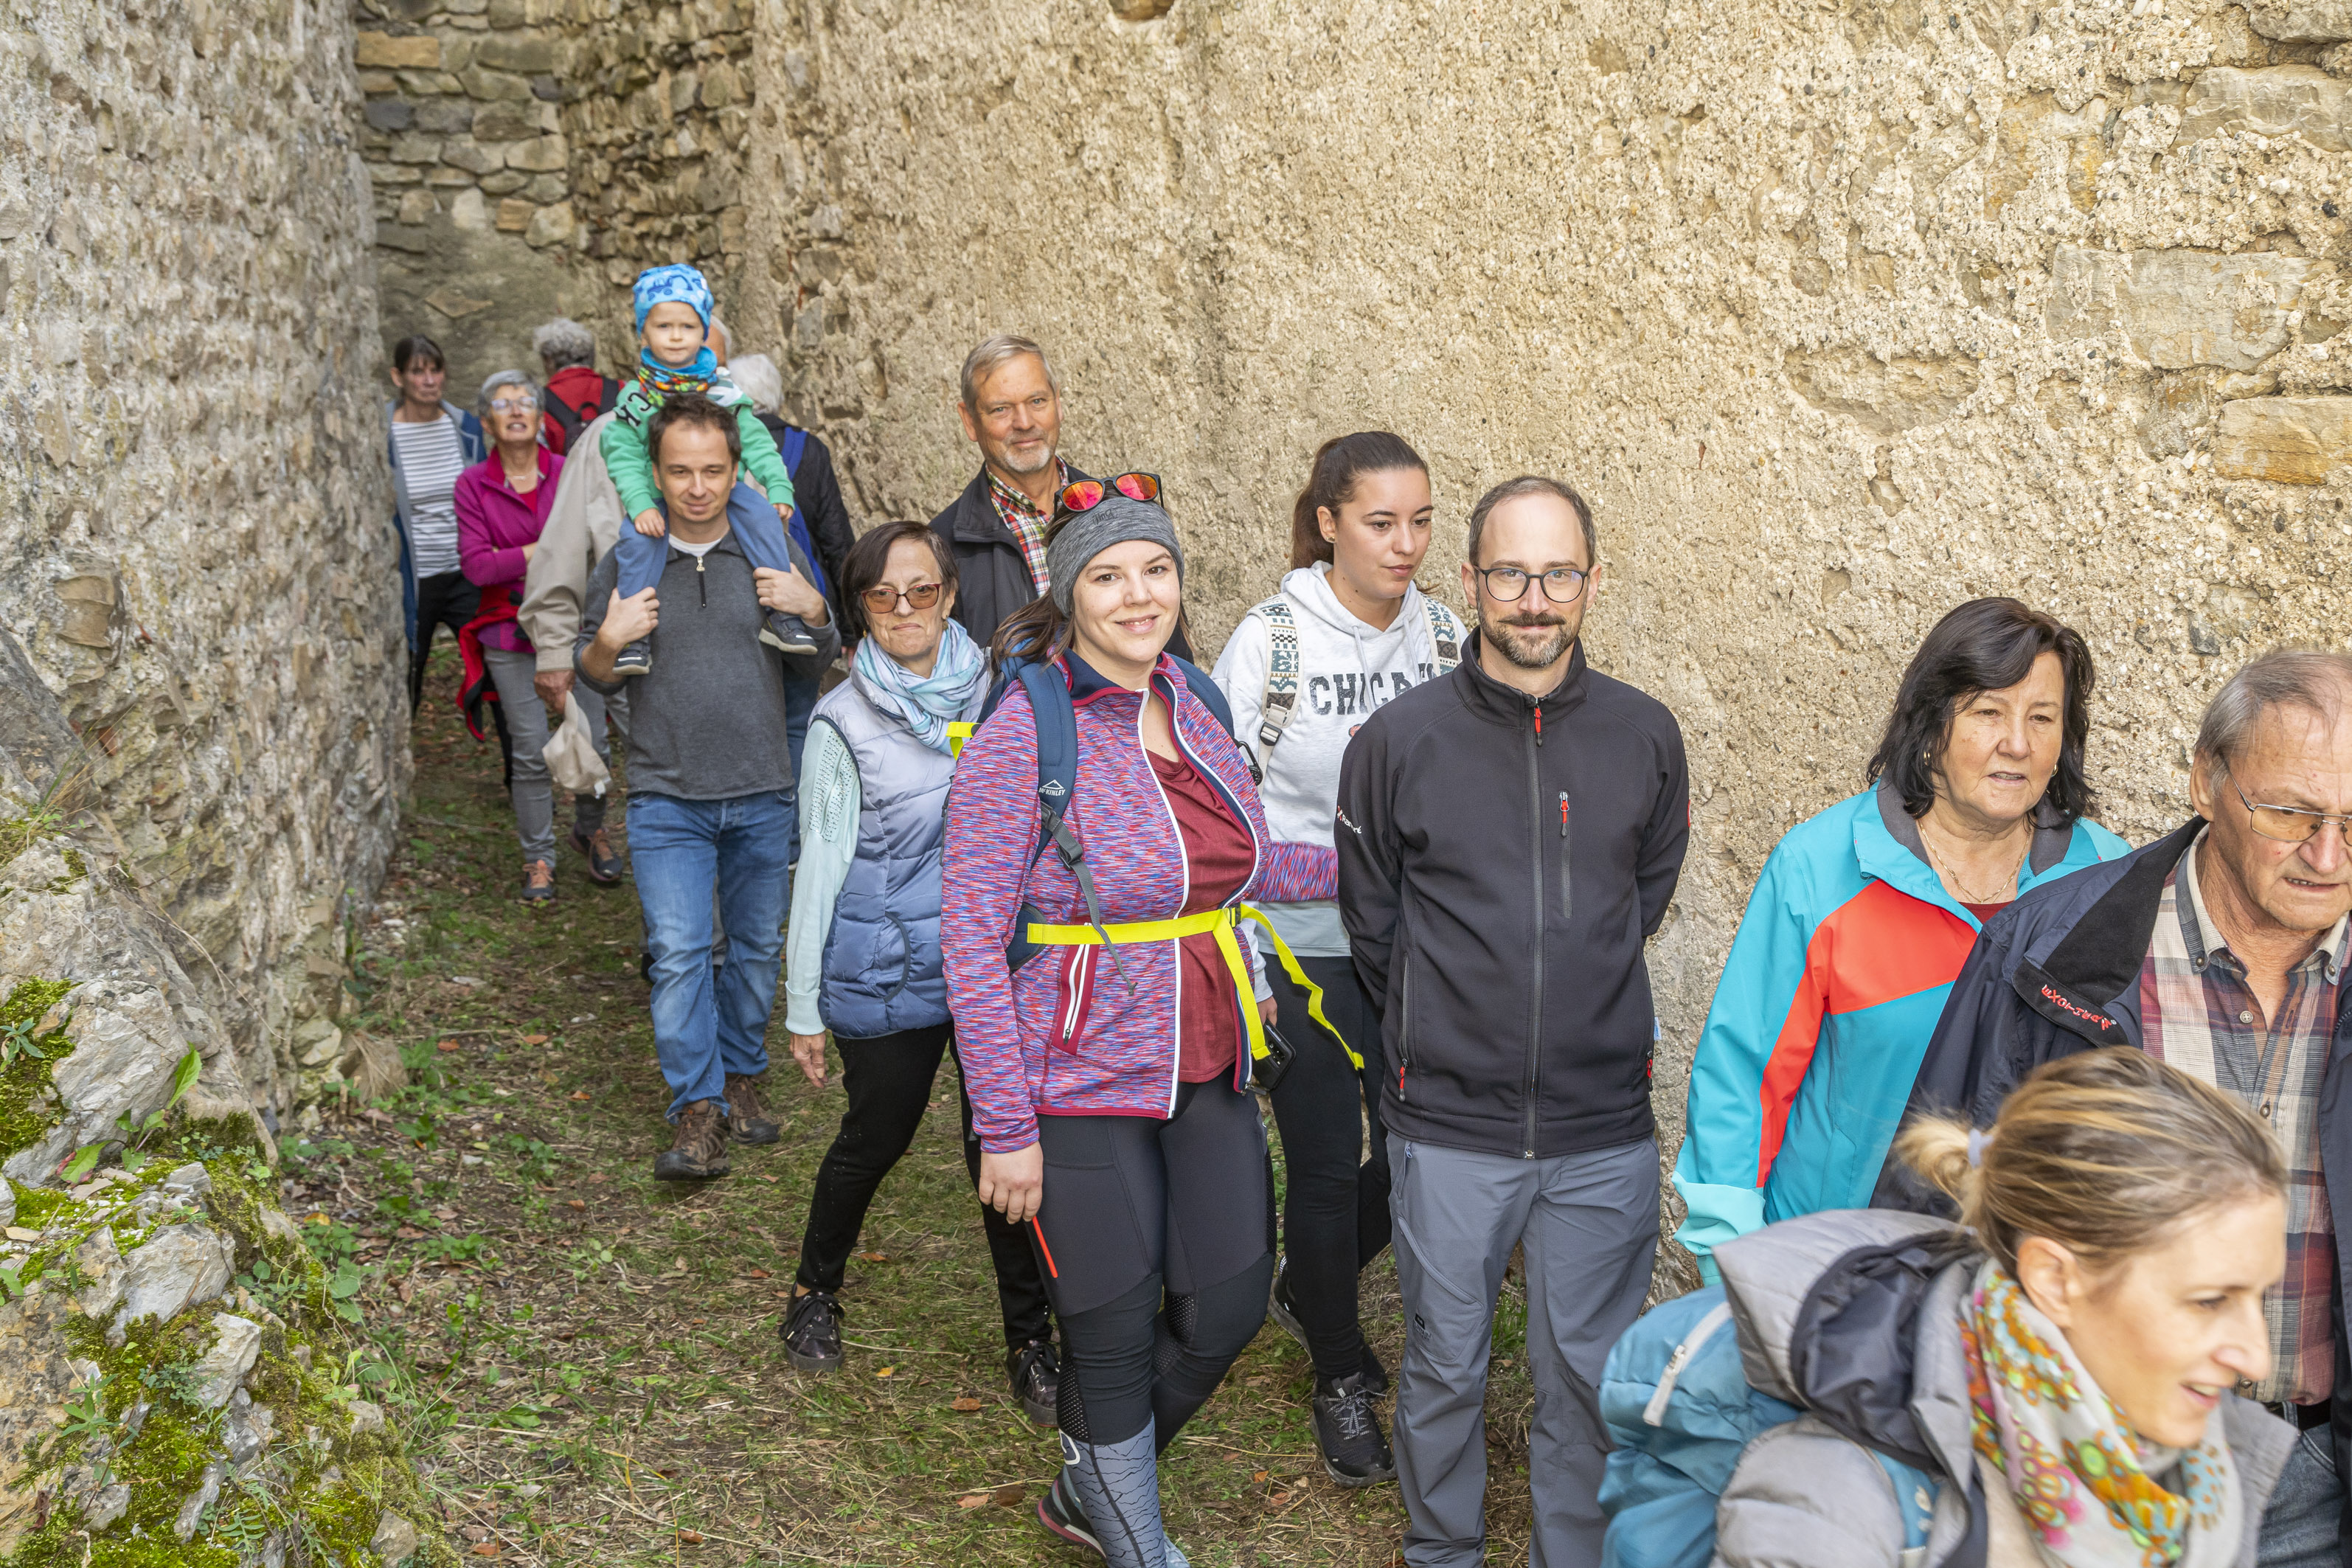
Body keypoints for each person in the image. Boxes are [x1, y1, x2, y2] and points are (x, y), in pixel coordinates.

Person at [1878, 649, 2352, 1568]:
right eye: (2291, 811)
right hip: (2092, 1457)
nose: (2326, 855)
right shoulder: (2048, 947)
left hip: (2322, 1470)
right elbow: (1937, 1204)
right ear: (2207, 780)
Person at [943, 487, 1336, 1567]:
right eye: (1108, 575)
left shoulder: (1197, 698)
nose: (1137, 594)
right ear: (1069, 591)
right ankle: (1135, 1540)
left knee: (1230, 1304)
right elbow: (971, 940)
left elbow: (1249, 864)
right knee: (1110, 1332)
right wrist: (1004, 1124)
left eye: (1153, 570)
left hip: (1203, 1057)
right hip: (1069, 1081)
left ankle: (1092, 1479)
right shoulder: (1028, 724)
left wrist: (1381, 857)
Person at [1336, 474, 1690, 1568]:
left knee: (1585, 1375)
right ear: (1469, 579)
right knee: (1444, 1362)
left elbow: (1645, 895)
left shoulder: (1644, 735)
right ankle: (1438, 1548)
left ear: (1592, 581)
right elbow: (1375, 918)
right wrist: (1450, 1024)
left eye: (1557, 574)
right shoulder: (1399, 742)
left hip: (1599, 1129)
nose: (1533, 599)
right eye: (1509, 573)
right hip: (1447, 1124)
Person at [1692, 1049, 2293, 1568]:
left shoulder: (2200, 1472)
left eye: (2257, 1294)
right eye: (2209, 1300)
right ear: (2054, 1280)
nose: (2255, 1358)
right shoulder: (1833, 1511)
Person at [1672, 598, 2128, 1277]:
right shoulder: (1820, 868)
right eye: (1986, 713)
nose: (2018, 744)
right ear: (1928, 725)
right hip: (1841, 1271)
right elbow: (1744, 1079)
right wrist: (1731, 1265)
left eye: (2042, 718)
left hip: (2034, 1281)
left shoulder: (2105, 880)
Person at [1210, 431, 1464, 1486]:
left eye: (1420, 521)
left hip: (1409, 941)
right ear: (1327, 521)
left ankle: (1306, 1282)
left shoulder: (1448, 638)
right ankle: (1340, 1370)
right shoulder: (1269, 644)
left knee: (1412, 1142)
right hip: (1294, 944)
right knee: (1320, 1155)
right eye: (1379, 521)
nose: (1403, 545)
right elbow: (1219, 817)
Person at [775, 521, 1061, 1426]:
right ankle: (814, 1287)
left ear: (950, 593)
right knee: (878, 1136)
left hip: (989, 972)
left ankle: (1031, 1340)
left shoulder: (1004, 691)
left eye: (924, 590)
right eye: (884, 595)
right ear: (860, 607)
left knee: (1000, 1150)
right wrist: (804, 1004)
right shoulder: (843, 720)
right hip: (888, 969)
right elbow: (818, 861)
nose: (907, 610)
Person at [575, 394, 839, 1180]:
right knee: (683, 950)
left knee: (757, 947)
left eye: (713, 470)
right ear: (654, 473)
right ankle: (697, 1105)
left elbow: (815, 658)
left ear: (737, 470)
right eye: (680, 471)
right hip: (665, 796)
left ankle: (743, 1073)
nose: (697, 487)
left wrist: (815, 606)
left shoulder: (766, 553)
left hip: (762, 789)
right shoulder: (629, 562)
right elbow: (593, 673)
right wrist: (608, 640)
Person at [454, 371, 622, 901]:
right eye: (502, 403)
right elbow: (479, 568)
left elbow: (595, 550)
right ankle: (538, 858)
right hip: (507, 634)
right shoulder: (473, 484)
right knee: (528, 751)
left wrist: (540, 555)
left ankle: (590, 828)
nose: (517, 409)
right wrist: (550, 550)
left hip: (576, 626)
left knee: (596, 738)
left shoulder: (569, 470)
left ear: (540, 415)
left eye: (526, 399)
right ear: (487, 422)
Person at [926, 336, 1193, 660]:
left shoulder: (1120, 512)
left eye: (1037, 401)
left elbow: (1172, 651)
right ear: (970, 420)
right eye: (1001, 409)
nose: (1024, 422)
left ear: (1059, 403)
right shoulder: (941, 547)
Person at [600, 264, 805, 676]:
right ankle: (634, 639)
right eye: (663, 326)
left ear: (703, 329)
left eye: (688, 326)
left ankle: (782, 615)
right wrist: (640, 502)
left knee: (762, 517)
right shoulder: (637, 395)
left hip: (720, 490)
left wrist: (777, 484)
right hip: (658, 493)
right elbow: (619, 450)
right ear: (644, 333)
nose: (676, 336)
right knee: (634, 544)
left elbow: (756, 439)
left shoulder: (721, 388)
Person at [728, 351, 858, 863]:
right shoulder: (809, 450)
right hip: (803, 608)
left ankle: (755, 833)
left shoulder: (719, 451)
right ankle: (798, 840)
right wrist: (846, 627)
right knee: (800, 724)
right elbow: (835, 541)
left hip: (743, 608)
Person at [387, 333, 486, 712]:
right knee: (408, 673)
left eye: (435, 370)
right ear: (399, 377)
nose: (429, 380)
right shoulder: (384, 434)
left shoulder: (465, 429)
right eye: (418, 372)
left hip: (464, 572)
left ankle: (517, 768)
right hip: (415, 577)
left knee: (492, 667)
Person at [533, 317, 620, 457]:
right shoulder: (622, 389)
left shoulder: (538, 403)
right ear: (591, 354)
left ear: (548, 360)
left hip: (567, 477)